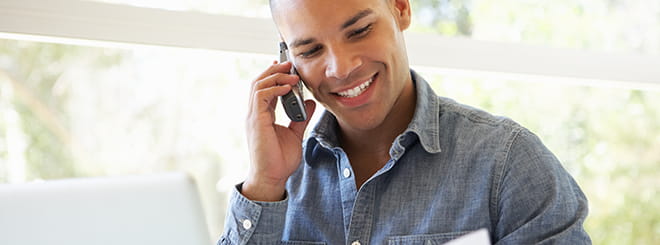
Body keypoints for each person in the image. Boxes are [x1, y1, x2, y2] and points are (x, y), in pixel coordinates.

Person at [219, 0, 591, 244]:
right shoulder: (278, 181)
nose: (342, 68)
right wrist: (264, 184)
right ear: (286, 59)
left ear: (400, 8)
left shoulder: (507, 163)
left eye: (360, 31)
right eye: (311, 50)